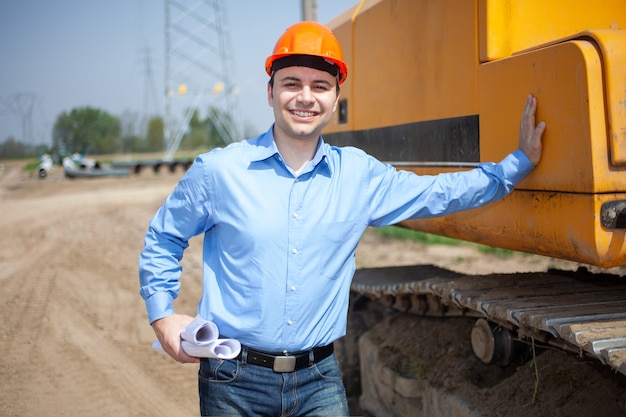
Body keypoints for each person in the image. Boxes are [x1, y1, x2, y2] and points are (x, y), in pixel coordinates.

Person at [139, 20, 545, 416]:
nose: (305, 97)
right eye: (291, 83)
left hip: (319, 382)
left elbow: (436, 193)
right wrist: (162, 315)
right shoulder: (221, 171)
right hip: (232, 383)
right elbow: (163, 237)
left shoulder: (359, 176)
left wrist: (517, 165)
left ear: (336, 99)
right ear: (270, 92)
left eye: (320, 86)